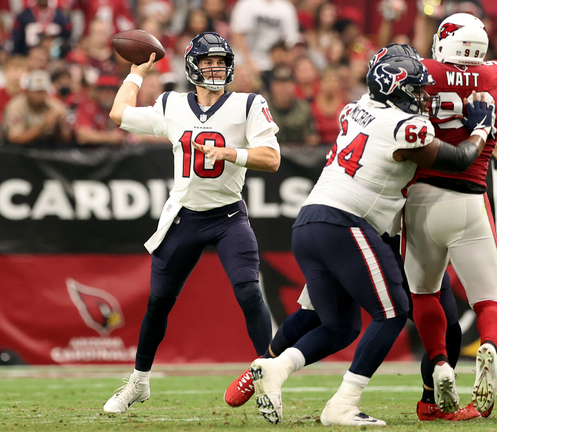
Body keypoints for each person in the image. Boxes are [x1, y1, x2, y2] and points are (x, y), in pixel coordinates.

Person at [243, 53, 493, 426]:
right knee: (392, 311)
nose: (422, 96)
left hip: (310, 221)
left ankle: (274, 369)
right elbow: (459, 159)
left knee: (340, 326)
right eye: (414, 89)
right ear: (395, 91)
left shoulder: (355, 108)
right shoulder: (405, 127)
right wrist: (480, 129)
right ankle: (342, 405)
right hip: (345, 222)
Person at [101, 31, 281, 414]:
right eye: (207, 61)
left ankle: (267, 377)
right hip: (184, 216)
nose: (215, 68)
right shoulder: (171, 105)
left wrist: (228, 152)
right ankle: (138, 382)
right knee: (158, 303)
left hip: (229, 215)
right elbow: (119, 115)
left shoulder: (249, 104)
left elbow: (271, 158)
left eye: (221, 61)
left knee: (250, 293)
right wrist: (135, 73)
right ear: (192, 66)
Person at [403, 12, 498, 417]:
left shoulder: (420, 71)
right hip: (472, 198)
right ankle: (490, 347)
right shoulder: (496, 76)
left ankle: (440, 362)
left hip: (422, 197)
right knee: (490, 301)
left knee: (425, 293)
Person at [3, 69, 72, 147]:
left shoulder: (55, 106)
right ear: (27, 91)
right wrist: (44, 126)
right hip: (21, 151)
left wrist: (60, 125)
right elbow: (14, 139)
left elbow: (67, 140)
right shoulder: (16, 106)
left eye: (43, 91)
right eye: (36, 91)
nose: (40, 95)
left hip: (47, 148)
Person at [265, 65, 318, 146]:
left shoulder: (304, 109)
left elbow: (312, 138)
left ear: (294, 86)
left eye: (287, 84)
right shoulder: (262, 108)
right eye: (279, 84)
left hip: (298, 155)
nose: (283, 89)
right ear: (272, 87)